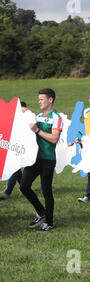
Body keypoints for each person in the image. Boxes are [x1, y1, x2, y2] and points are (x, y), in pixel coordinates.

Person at [20, 88, 63, 232]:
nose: (39, 102)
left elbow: (54, 138)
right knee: (24, 186)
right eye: (38, 99)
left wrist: (38, 131)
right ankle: (41, 211)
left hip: (47, 159)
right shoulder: (37, 116)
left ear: (50, 100)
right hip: (34, 158)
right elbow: (27, 119)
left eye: (41, 99)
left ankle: (49, 222)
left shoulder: (56, 117)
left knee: (46, 191)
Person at [0, 101, 29, 200]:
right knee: (16, 169)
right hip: (14, 147)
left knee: (14, 168)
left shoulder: (26, 118)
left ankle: (9, 191)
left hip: (21, 148)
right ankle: (23, 188)